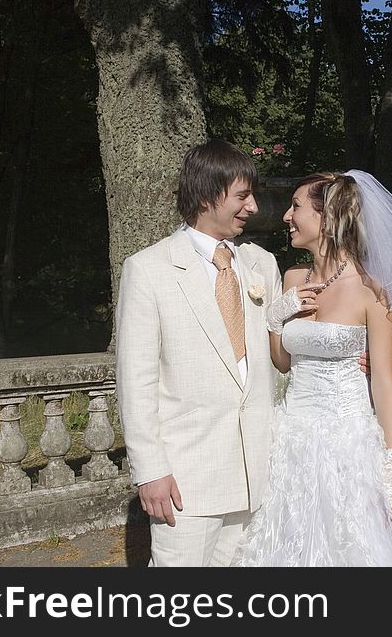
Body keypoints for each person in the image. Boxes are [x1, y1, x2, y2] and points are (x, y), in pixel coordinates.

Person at [233, 170, 392, 566]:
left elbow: (383, 381)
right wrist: (276, 319)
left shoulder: (372, 290)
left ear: (327, 217)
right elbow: (282, 363)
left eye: (295, 207)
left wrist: (389, 460)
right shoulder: (293, 278)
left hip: (348, 442)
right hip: (292, 438)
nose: (285, 216)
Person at [115, 139, 285, 567]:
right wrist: (150, 470)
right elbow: (135, 381)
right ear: (209, 195)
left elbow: (282, 351)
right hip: (188, 475)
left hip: (256, 473)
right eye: (242, 196)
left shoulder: (261, 264)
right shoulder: (148, 269)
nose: (252, 208)